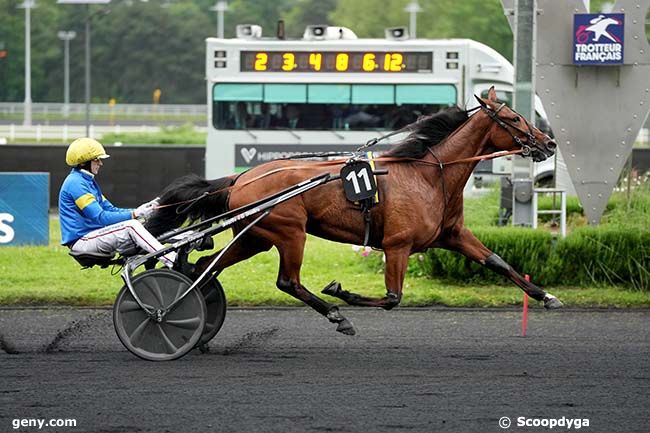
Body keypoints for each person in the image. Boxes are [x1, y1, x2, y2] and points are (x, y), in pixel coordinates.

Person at [58, 137, 177, 268]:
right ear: (83, 163)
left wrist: (140, 210)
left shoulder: (87, 182)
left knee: (147, 224)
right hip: (83, 242)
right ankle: (172, 261)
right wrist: (134, 214)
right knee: (131, 225)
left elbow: (111, 210)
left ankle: (191, 239)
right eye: (97, 159)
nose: (100, 163)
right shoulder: (75, 183)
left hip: (93, 237)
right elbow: (100, 218)